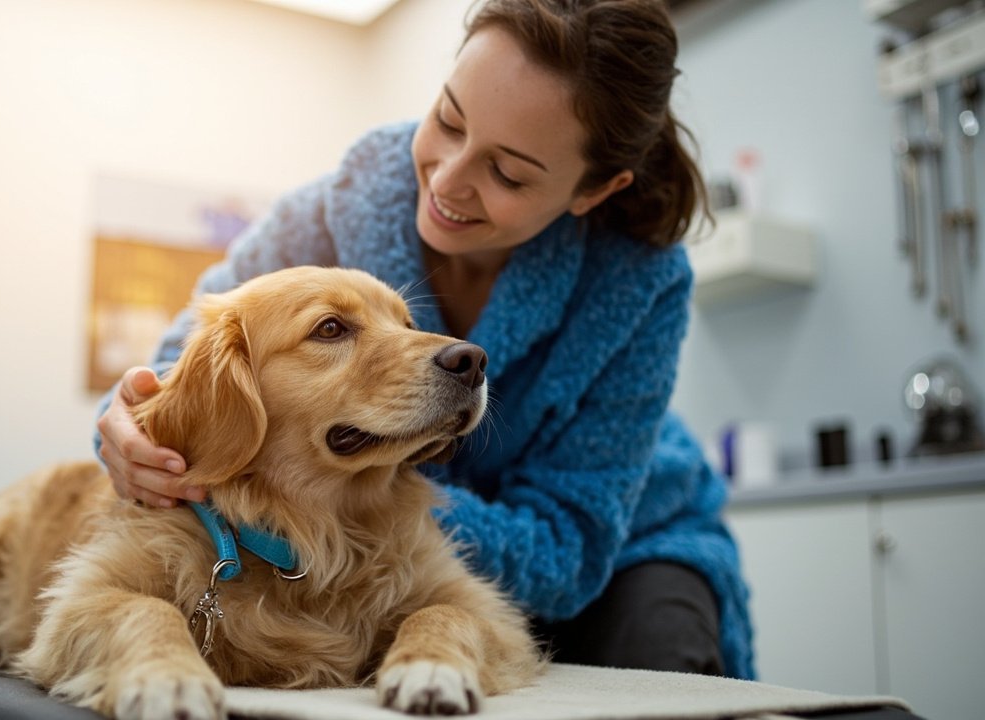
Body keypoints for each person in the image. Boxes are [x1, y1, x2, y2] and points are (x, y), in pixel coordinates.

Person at [96, 0, 754, 679]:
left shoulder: (639, 279)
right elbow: (173, 382)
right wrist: (128, 437)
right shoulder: (322, 215)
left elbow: (567, 555)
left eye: (508, 173)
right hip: (355, 542)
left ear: (593, 190)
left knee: (660, 661)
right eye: (448, 119)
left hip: (621, 547)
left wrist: (372, 517)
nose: (448, 179)